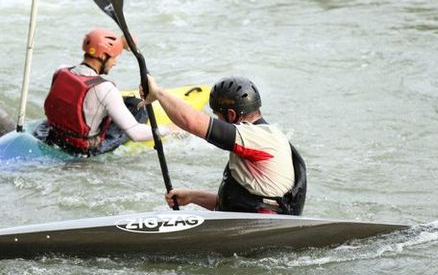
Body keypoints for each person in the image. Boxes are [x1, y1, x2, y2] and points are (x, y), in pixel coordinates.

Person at [141, 75, 307, 215]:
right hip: (256, 223)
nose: (219, 122)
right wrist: (192, 197)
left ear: (231, 114)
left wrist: (158, 94)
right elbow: (240, 204)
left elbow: (192, 122)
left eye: (218, 116)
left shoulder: (256, 138)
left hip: (264, 229)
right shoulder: (265, 136)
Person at [34, 28, 158, 156]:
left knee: (127, 102)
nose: (115, 63)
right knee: (138, 110)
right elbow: (136, 134)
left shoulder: (61, 71)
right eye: (114, 57)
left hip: (51, 135)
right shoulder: (105, 89)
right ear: (103, 56)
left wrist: (121, 43)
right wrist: (169, 130)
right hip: (81, 151)